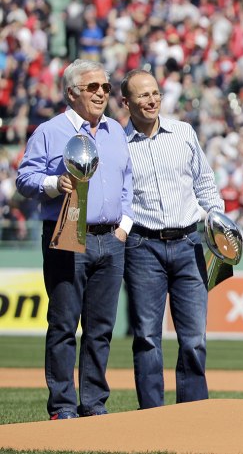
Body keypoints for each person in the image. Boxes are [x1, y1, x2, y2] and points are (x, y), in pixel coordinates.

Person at [16, 59, 134, 420]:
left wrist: (124, 227)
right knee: (65, 323)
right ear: (72, 93)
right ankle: (63, 405)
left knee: (101, 327)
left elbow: (128, 182)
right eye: (93, 87)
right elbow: (24, 179)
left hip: (110, 238)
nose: (102, 93)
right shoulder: (50, 131)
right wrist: (54, 184)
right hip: (66, 231)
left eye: (105, 87)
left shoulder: (115, 130)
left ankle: (94, 402)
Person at [120, 69, 224, 409]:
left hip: (189, 243)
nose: (152, 100)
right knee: (147, 337)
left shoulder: (183, 132)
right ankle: (151, 414)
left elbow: (205, 183)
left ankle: (192, 412)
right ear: (127, 103)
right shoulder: (118, 144)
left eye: (155, 93)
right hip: (142, 246)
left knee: (194, 338)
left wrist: (218, 222)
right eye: (143, 96)